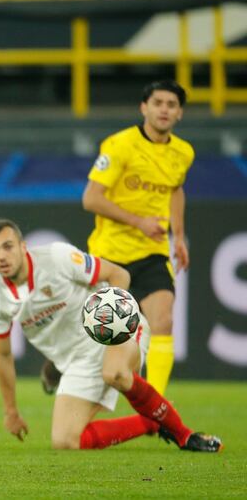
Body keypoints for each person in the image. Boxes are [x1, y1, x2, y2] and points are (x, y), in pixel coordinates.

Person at [0, 218, 221, 452]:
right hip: (77, 363)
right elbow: (2, 356)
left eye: (8, 246)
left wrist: (111, 320)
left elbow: (119, 274)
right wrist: (11, 412)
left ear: (23, 246)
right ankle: (150, 421)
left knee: (114, 372)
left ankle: (185, 435)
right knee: (65, 441)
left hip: (113, 330)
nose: (1, 256)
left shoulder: (56, 258)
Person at [79, 79, 193, 396]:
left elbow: (175, 190)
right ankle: (55, 369)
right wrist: (138, 221)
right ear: (144, 107)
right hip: (110, 253)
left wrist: (179, 237)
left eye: (171, 105)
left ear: (180, 113)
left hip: (151, 253)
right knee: (99, 339)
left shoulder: (183, 153)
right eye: (158, 103)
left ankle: (155, 409)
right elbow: (90, 198)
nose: (164, 110)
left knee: (164, 321)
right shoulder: (119, 146)